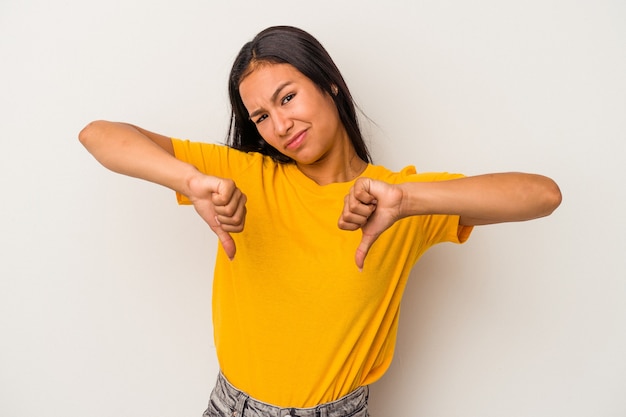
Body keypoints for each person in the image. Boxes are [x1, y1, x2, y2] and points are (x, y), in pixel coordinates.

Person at [79, 25, 561, 417]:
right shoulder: (245, 176)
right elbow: (98, 135)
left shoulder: (395, 201)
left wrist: (409, 199)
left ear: (328, 82)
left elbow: (542, 195)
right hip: (231, 407)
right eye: (261, 117)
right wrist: (189, 180)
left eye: (287, 98)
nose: (280, 126)